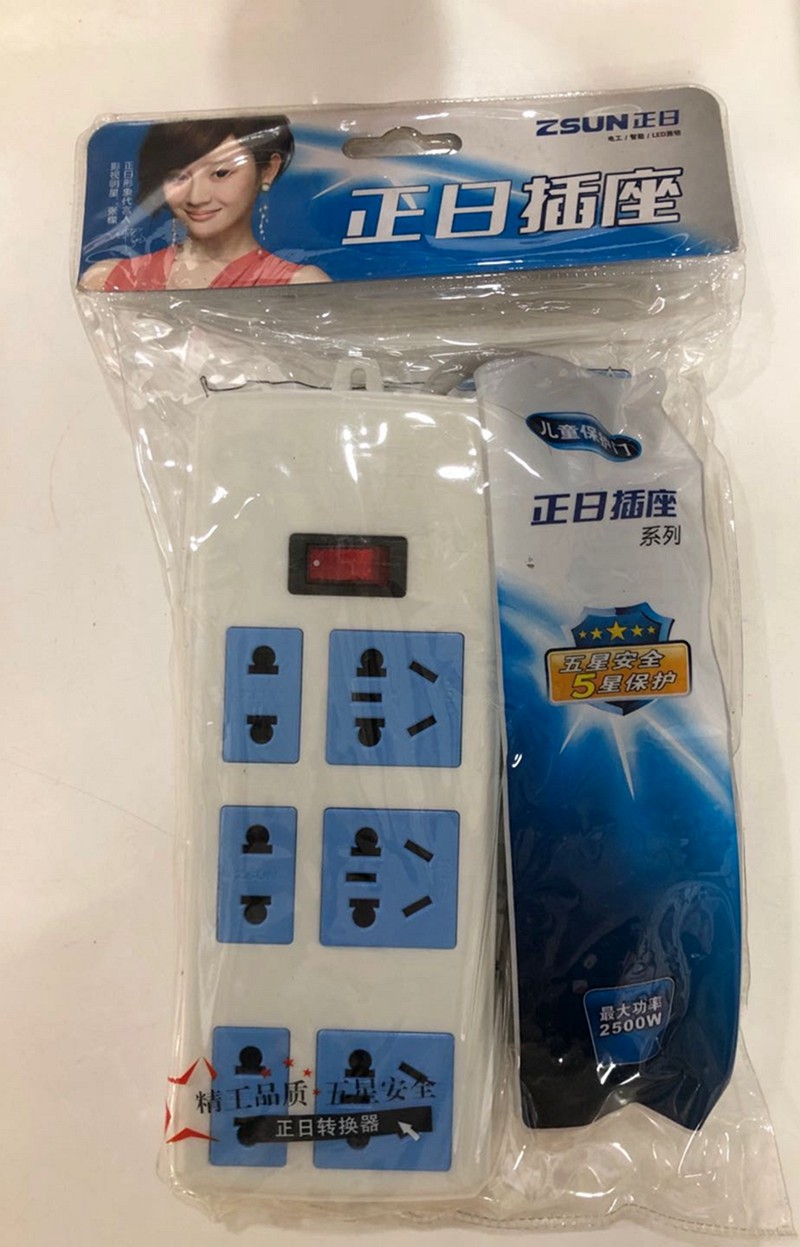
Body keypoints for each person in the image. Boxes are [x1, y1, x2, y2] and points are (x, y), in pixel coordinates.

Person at [80, 117, 330, 290]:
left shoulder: (300, 287)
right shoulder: (109, 279)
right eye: (178, 177)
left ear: (268, 170)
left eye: (220, 173)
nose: (196, 197)